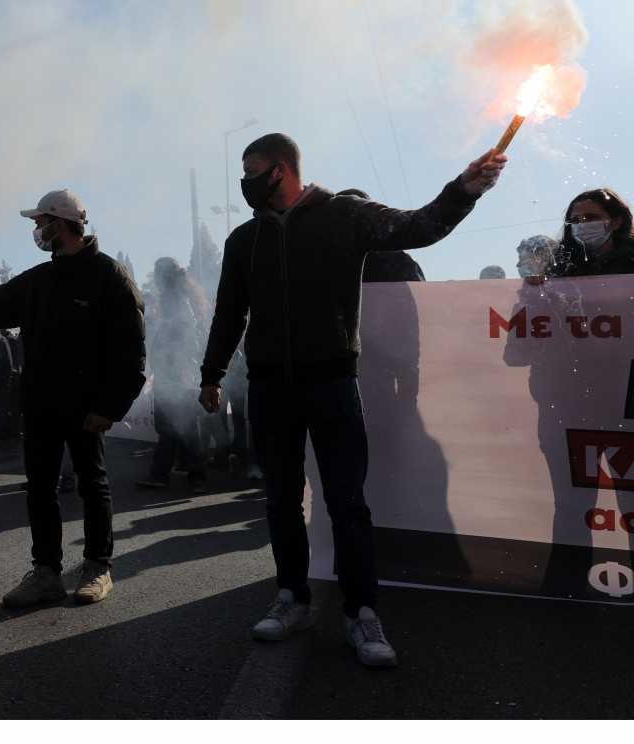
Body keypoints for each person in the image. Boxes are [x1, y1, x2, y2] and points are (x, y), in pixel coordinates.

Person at [199, 133, 506, 668]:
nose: (245, 182)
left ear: (282, 170)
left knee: (347, 503)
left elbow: (420, 225)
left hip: (333, 384)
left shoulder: (345, 215)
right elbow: (229, 311)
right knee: (279, 500)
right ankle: (292, 597)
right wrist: (213, 373)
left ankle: (362, 613)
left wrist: (464, 189)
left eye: (253, 170)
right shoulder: (242, 241)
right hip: (270, 388)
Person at [0, 188, 146, 608]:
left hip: (86, 405)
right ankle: (46, 573)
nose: (37, 231)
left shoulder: (108, 276)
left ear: (61, 223)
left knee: (91, 483)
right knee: (40, 487)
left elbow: (131, 352)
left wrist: (110, 406)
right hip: (40, 402)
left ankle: (98, 566)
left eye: (40, 222)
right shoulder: (39, 280)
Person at [137, 258, 206, 493]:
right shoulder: (177, 298)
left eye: (157, 273)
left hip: (176, 373)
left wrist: (173, 365)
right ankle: (193, 472)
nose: (154, 278)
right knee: (181, 425)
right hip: (177, 371)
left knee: (174, 425)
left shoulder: (174, 300)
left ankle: (165, 474)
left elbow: (183, 337)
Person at [548, 188, 634, 278]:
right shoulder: (561, 264)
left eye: (590, 218)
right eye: (575, 220)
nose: (582, 225)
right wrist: (538, 283)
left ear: (616, 222)